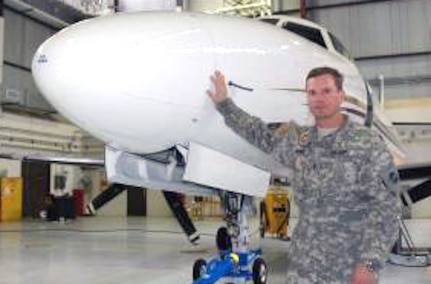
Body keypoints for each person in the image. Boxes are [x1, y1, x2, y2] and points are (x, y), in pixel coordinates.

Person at [207, 67, 401, 284]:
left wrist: (369, 264)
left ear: (341, 95)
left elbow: (386, 209)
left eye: (326, 91)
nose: (319, 99)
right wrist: (225, 105)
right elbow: (258, 132)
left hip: (347, 267)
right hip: (304, 266)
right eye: (312, 93)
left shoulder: (368, 144)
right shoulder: (300, 142)